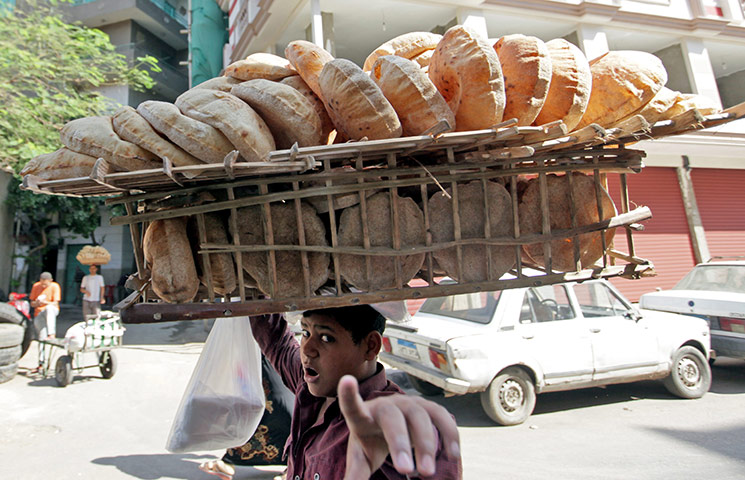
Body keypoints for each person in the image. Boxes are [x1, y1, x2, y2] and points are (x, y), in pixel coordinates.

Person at [203, 305, 462, 480]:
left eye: (326, 338)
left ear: (370, 346)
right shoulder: (311, 389)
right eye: (305, 332)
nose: (308, 349)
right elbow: (277, 341)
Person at [29, 271, 61, 372]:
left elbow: (55, 303)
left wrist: (45, 302)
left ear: (50, 281)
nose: (43, 286)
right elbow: (32, 303)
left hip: (51, 311)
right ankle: (41, 363)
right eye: (41, 283)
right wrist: (37, 303)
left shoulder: (55, 286)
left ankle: (51, 333)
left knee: (49, 308)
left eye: (45, 284)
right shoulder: (36, 286)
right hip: (39, 313)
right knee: (41, 338)